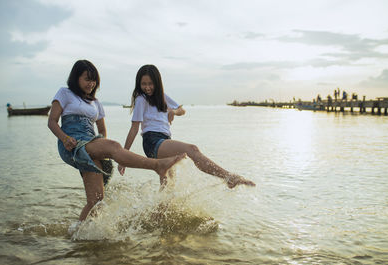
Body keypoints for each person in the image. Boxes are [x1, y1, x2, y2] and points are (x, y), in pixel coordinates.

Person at [48, 60, 185, 222]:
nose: (91, 83)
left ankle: (78, 236)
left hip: (91, 144)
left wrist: (101, 149)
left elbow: (102, 130)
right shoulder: (65, 93)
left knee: (96, 201)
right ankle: (157, 165)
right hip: (72, 143)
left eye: (94, 80)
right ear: (76, 78)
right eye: (87, 79)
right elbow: (52, 121)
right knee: (114, 146)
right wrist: (64, 138)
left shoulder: (96, 103)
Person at [118, 64, 256, 189]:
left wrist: (173, 112)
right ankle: (228, 177)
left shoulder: (162, 97)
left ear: (157, 83)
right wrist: (123, 157)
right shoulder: (141, 99)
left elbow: (182, 110)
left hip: (165, 140)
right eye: (143, 84)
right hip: (153, 142)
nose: (147, 87)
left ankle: (158, 214)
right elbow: (134, 128)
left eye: (150, 83)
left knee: (168, 187)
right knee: (192, 149)